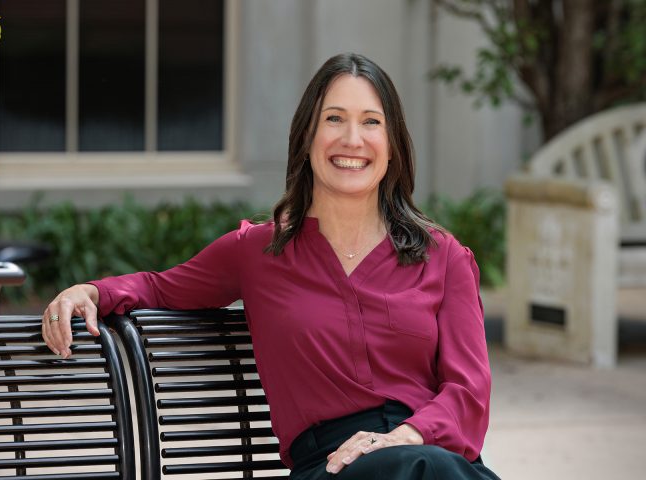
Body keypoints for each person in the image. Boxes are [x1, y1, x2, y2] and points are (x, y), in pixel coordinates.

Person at [42, 52, 500, 480]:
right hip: (332, 465)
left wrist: (401, 437)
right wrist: (91, 292)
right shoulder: (259, 252)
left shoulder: (444, 258)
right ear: (306, 137)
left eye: (371, 122)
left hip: (426, 453)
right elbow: (160, 288)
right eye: (334, 119)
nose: (352, 139)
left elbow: (469, 391)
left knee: (422, 465)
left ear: (393, 144)